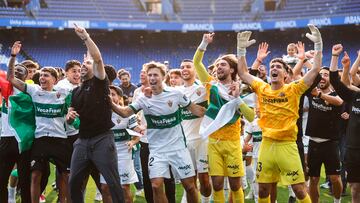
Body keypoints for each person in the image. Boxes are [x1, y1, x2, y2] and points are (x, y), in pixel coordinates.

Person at [237, 24, 323, 203]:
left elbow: (315, 71)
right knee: (263, 190)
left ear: (285, 74)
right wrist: (241, 50)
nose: (274, 68)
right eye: (272, 66)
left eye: (278, 66)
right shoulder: (262, 87)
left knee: (299, 189)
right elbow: (243, 73)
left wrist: (318, 46)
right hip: (267, 145)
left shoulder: (294, 89)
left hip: (287, 145)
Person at [112, 61, 205, 203]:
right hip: (157, 150)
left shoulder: (176, 94)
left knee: (190, 186)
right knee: (156, 185)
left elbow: (196, 110)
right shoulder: (143, 99)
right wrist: (109, 102)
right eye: (149, 75)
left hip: (178, 148)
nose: (152, 77)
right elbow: (125, 113)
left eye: (155, 74)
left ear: (163, 76)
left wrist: (218, 111)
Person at [8, 42, 72, 203]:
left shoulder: (64, 93)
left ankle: (62, 201)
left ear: (55, 79)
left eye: (46, 75)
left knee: (66, 174)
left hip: (60, 139)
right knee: (35, 174)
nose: (42, 77)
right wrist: (13, 56)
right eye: (41, 75)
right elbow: (10, 78)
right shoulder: (34, 90)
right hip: (40, 139)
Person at [193, 33, 255, 203]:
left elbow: (251, 116)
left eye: (223, 65)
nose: (218, 67)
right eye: (217, 65)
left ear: (232, 69)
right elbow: (197, 63)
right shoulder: (210, 85)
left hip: (233, 142)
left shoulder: (241, 89)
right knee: (218, 184)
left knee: (236, 186)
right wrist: (204, 43)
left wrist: (236, 98)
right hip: (213, 142)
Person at [66, 24, 124, 203]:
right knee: (74, 182)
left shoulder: (100, 83)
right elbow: (73, 119)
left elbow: (98, 59)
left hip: (102, 139)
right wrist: (69, 119)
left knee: (113, 182)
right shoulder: (75, 92)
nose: (84, 66)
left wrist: (85, 37)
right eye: (83, 64)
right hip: (82, 141)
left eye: (87, 64)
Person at [306, 66, 343, 203]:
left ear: (331, 78)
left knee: (334, 178)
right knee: (313, 179)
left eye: (326, 74)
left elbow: (339, 102)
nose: (322, 77)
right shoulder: (311, 91)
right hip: (313, 142)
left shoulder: (336, 94)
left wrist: (320, 95)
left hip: (330, 143)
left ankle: (337, 201)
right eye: (320, 74)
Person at [100, 85, 142, 203]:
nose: (109, 97)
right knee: (105, 188)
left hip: (124, 154)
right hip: (105, 155)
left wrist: (132, 141)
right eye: (107, 94)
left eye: (113, 94)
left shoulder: (128, 113)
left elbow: (137, 134)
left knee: (124, 187)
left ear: (119, 97)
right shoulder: (99, 114)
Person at [329, 44, 360, 203]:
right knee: (355, 189)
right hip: (353, 150)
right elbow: (334, 80)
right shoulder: (356, 96)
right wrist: (335, 58)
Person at [0, 46, 31, 203]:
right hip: (5, 139)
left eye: (21, 71)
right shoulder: (5, 90)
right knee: (1, 179)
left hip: (23, 141)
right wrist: (13, 56)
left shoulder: (30, 92)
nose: (17, 72)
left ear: (26, 77)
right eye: (15, 70)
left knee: (25, 181)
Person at [179, 59, 212, 203]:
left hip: (202, 141)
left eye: (188, 66)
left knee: (204, 179)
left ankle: (206, 200)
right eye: (182, 67)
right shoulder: (176, 92)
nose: (184, 69)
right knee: (189, 180)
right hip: (184, 142)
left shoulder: (204, 88)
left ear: (195, 70)